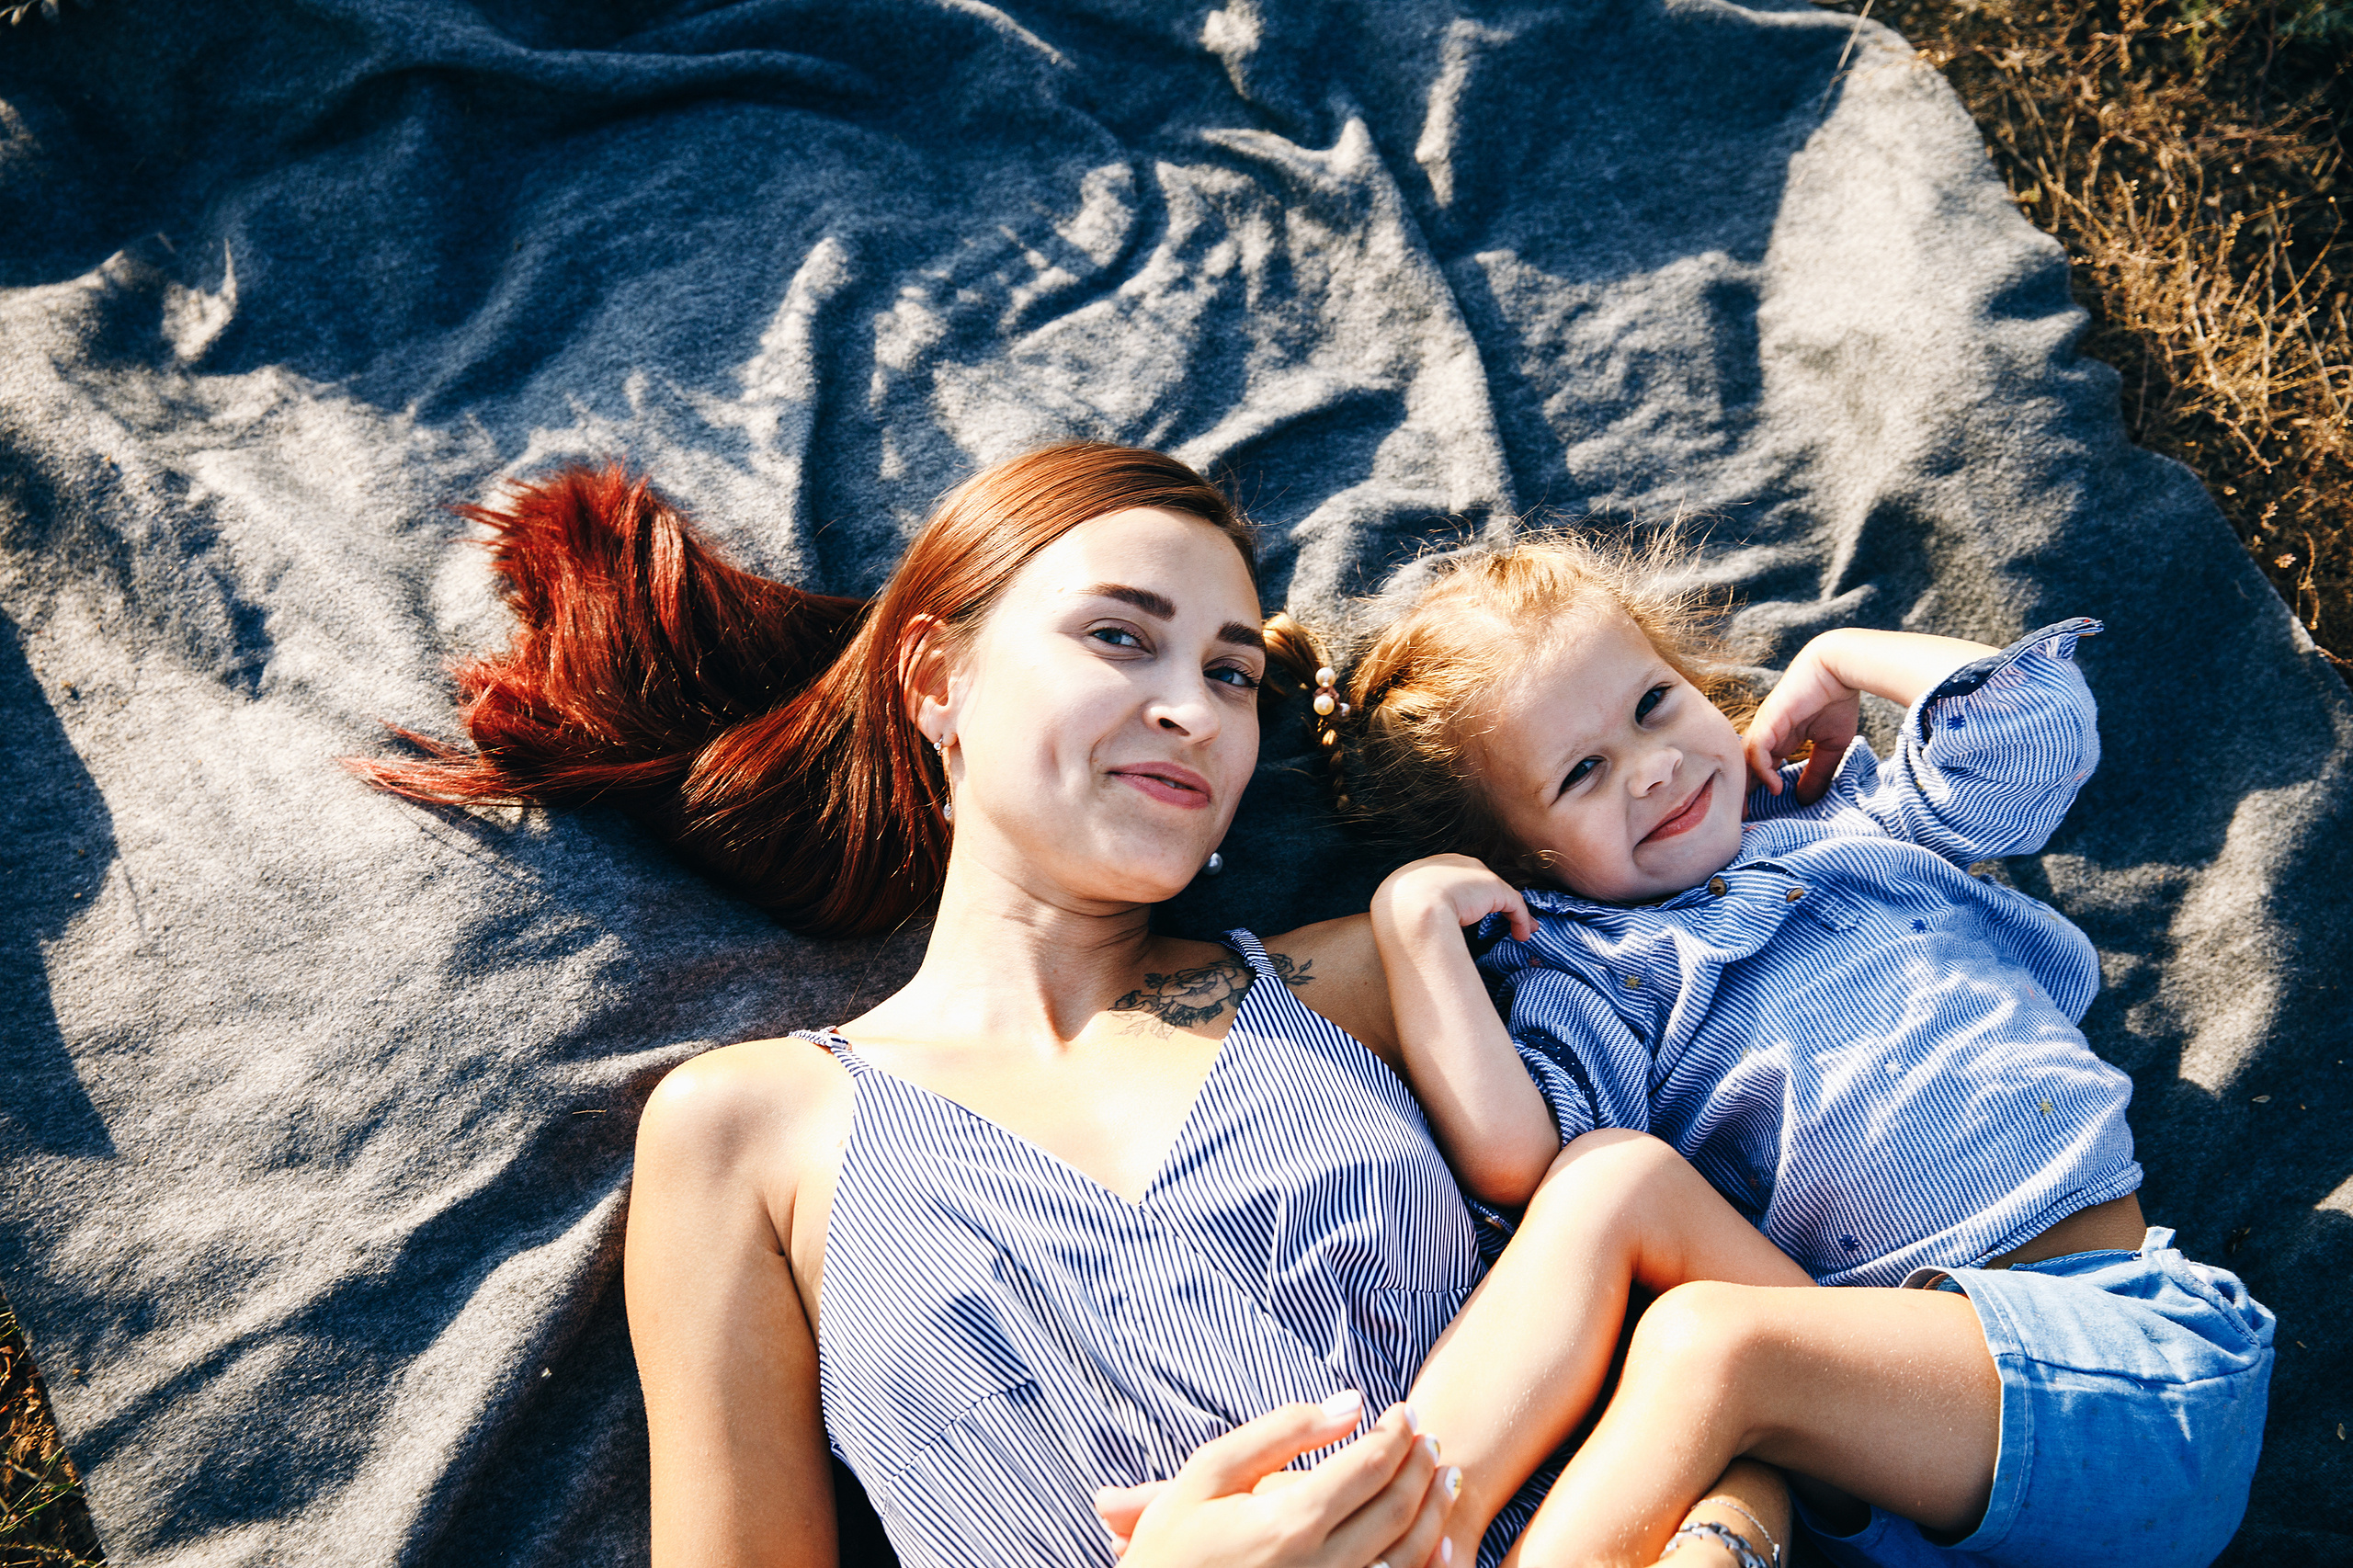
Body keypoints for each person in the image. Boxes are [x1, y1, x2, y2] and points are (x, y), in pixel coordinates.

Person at [353, 445, 1790, 1568]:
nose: (1195, 708)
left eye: (1233, 674)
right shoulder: (744, 1135)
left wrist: (1732, 1533)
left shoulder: (1369, 971)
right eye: (1123, 638)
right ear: (939, 679)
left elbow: (1731, 1301)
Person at [1310, 529, 2276, 1568]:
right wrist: (1416, 933)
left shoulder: (1852, 820)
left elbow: (2033, 724)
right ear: (1517, 861)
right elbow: (1511, 1158)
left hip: (2127, 1360)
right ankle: (1409, 1520)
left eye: (1653, 703)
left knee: (1706, 1344)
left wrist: (1840, 655)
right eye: (1583, 772)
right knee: (1607, 1180)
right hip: (1878, 1458)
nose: (1655, 767)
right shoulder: (1587, 978)